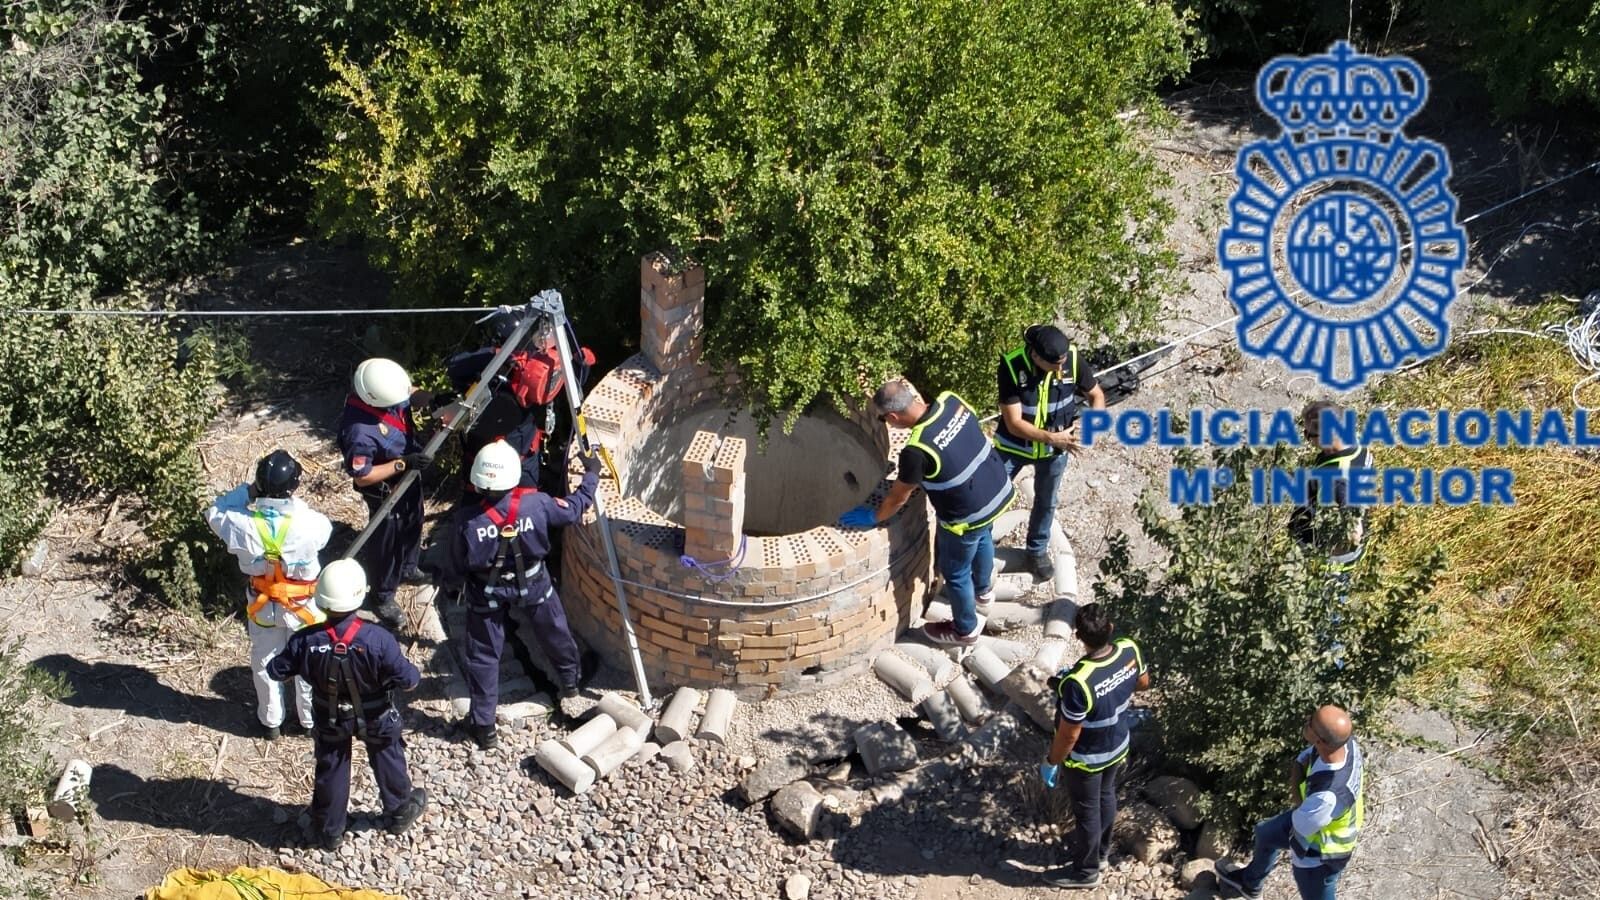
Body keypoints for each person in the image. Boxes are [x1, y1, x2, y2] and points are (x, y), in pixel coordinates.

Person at [433, 440, 601, 750]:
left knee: (484, 656)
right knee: (555, 632)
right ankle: (570, 681)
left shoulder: (467, 522)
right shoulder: (537, 505)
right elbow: (575, 509)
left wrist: (454, 588)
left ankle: (484, 726)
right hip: (535, 584)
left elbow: (455, 565)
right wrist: (592, 474)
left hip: (487, 592)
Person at [840, 380, 1016, 647]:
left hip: (965, 515)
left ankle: (965, 629)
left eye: (885, 420)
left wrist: (874, 517)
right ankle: (984, 592)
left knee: (955, 571)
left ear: (893, 417)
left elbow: (899, 496)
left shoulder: (916, 451)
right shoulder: (951, 400)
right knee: (984, 538)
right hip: (996, 489)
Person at [267, 559, 427, 851]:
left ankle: (330, 830)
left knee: (332, 765)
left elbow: (277, 671)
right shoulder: (380, 639)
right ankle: (400, 810)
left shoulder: (305, 640)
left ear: (322, 600)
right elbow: (410, 681)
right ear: (360, 595)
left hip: (330, 717)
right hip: (376, 714)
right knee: (387, 755)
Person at [205, 450, 332, 740]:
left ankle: (271, 721)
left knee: (264, 663)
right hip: (303, 608)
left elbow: (214, 511)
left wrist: (249, 491)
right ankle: (309, 720)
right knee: (307, 663)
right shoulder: (310, 525)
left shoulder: (239, 524)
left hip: (263, 608)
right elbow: (325, 533)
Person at [1037, 603, 1151, 889]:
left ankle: (1086, 872)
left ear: (1078, 637)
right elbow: (1143, 683)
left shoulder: (1078, 683)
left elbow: (1068, 736)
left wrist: (1051, 762)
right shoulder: (1129, 649)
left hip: (1086, 759)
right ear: (1110, 628)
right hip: (1118, 745)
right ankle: (1100, 854)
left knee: (1087, 811)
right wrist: (1113, 690)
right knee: (1107, 797)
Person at [1216, 705, 1365, 900]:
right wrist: (1298, 769)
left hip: (1322, 853)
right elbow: (1307, 755)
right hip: (1311, 818)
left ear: (1320, 739)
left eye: (1310, 722)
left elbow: (1300, 831)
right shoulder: (1345, 745)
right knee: (1265, 832)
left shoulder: (1328, 796)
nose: (1307, 721)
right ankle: (1250, 884)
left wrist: (1296, 793)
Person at [994, 325, 1107, 581]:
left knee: (1047, 501)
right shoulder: (1012, 367)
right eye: (1054, 365)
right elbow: (1014, 423)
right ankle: (980, 546)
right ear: (1035, 356)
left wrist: (1091, 427)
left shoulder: (1073, 359)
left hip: (1056, 449)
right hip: (1014, 447)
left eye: (1063, 362)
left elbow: (1096, 395)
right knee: (991, 496)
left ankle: (1036, 552)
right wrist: (1051, 437)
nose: (1060, 369)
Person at [443, 310, 595, 500]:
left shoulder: (531, 366)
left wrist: (579, 364)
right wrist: (496, 356)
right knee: (514, 508)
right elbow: (455, 366)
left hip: (502, 458)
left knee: (488, 509)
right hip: (508, 457)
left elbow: (571, 382)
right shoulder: (487, 367)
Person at [337, 357, 434, 629]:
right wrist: (402, 464)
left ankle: (409, 567)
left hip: (408, 473)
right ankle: (383, 595)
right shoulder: (359, 432)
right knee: (387, 540)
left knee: (414, 519)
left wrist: (433, 399)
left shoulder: (385, 384)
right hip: (384, 488)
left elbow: (409, 393)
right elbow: (363, 475)